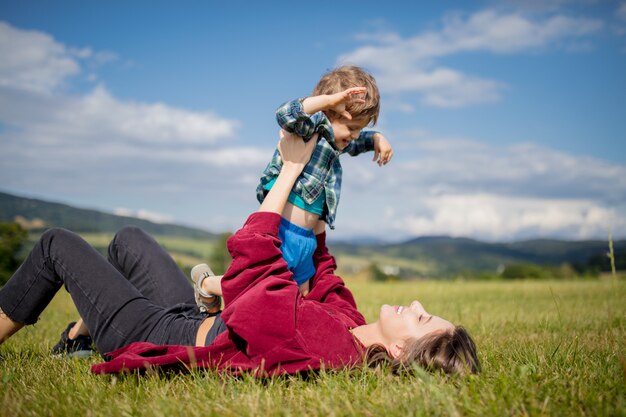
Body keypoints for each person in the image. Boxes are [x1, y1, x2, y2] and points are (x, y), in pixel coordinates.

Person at [0, 130, 479, 376]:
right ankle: (80, 335)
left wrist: (291, 172)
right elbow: (322, 268)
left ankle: (100, 332)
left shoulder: (327, 345)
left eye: (421, 320)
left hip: (159, 333)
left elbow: (253, 271)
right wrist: (316, 200)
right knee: (128, 238)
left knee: (55, 244)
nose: (415, 306)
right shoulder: (349, 324)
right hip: (189, 314)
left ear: (398, 352)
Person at [254, 65, 393, 295]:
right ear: (330, 112)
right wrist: (325, 101)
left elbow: (357, 143)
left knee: (302, 299)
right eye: (352, 127)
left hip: (306, 241)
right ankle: (210, 285)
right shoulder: (311, 130)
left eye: (361, 129)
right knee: (255, 286)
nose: (356, 135)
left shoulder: (335, 143)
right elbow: (285, 113)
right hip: (283, 233)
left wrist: (376, 137)